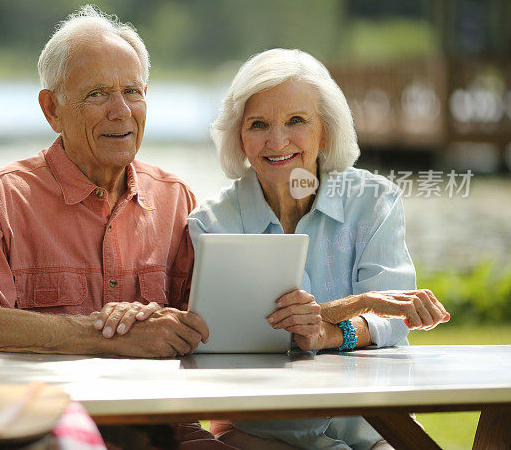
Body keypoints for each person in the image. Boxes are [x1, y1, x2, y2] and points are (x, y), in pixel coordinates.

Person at [0, 4, 225, 448]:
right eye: (97, 94)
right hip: (43, 431)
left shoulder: (176, 200)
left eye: (133, 91)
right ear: (52, 109)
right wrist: (104, 334)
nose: (121, 111)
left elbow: (211, 330)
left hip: (164, 433)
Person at [188, 48, 450, 450]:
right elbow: (223, 338)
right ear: (239, 137)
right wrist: (355, 304)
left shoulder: (373, 200)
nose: (277, 141)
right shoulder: (210, 223)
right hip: (265, 434)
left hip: (375, 429)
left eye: (296, 120)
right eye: (258, 124)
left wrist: (331, 333)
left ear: (325, 130)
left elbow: (394, 318)